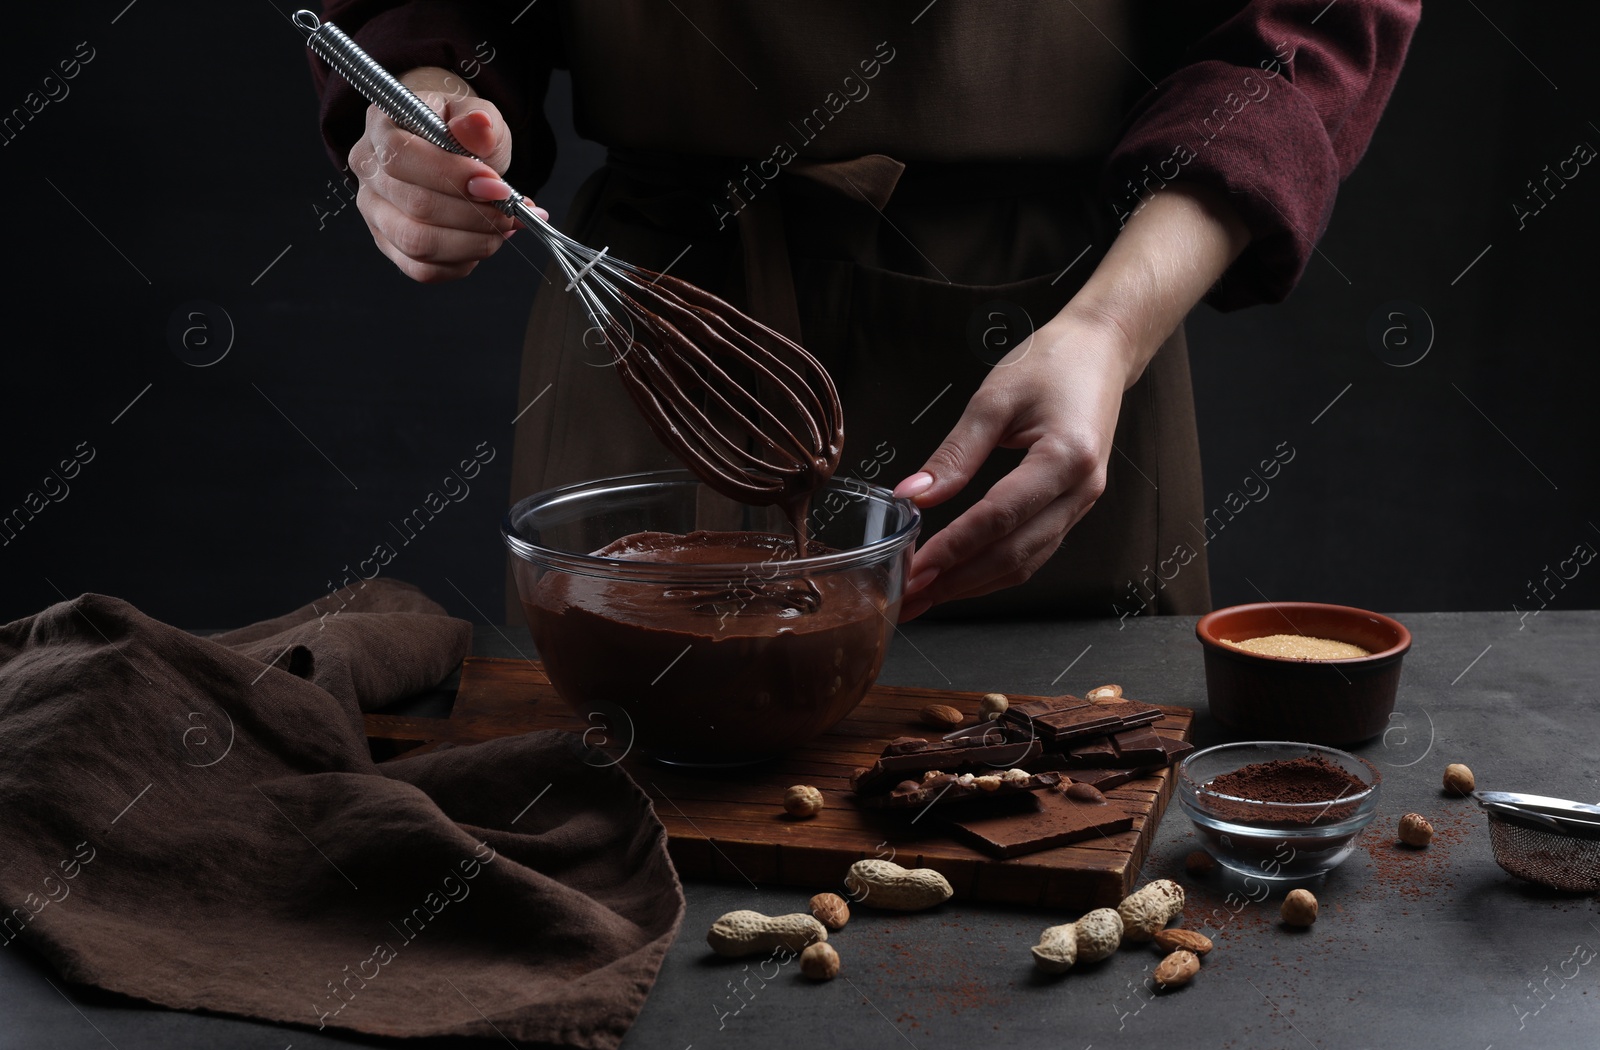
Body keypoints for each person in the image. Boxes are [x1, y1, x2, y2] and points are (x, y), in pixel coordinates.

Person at [310, 1, 1421, 624]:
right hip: (659, 340)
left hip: (1055, 344)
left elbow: (1304, 36)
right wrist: (422, 104)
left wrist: (1106, 331)